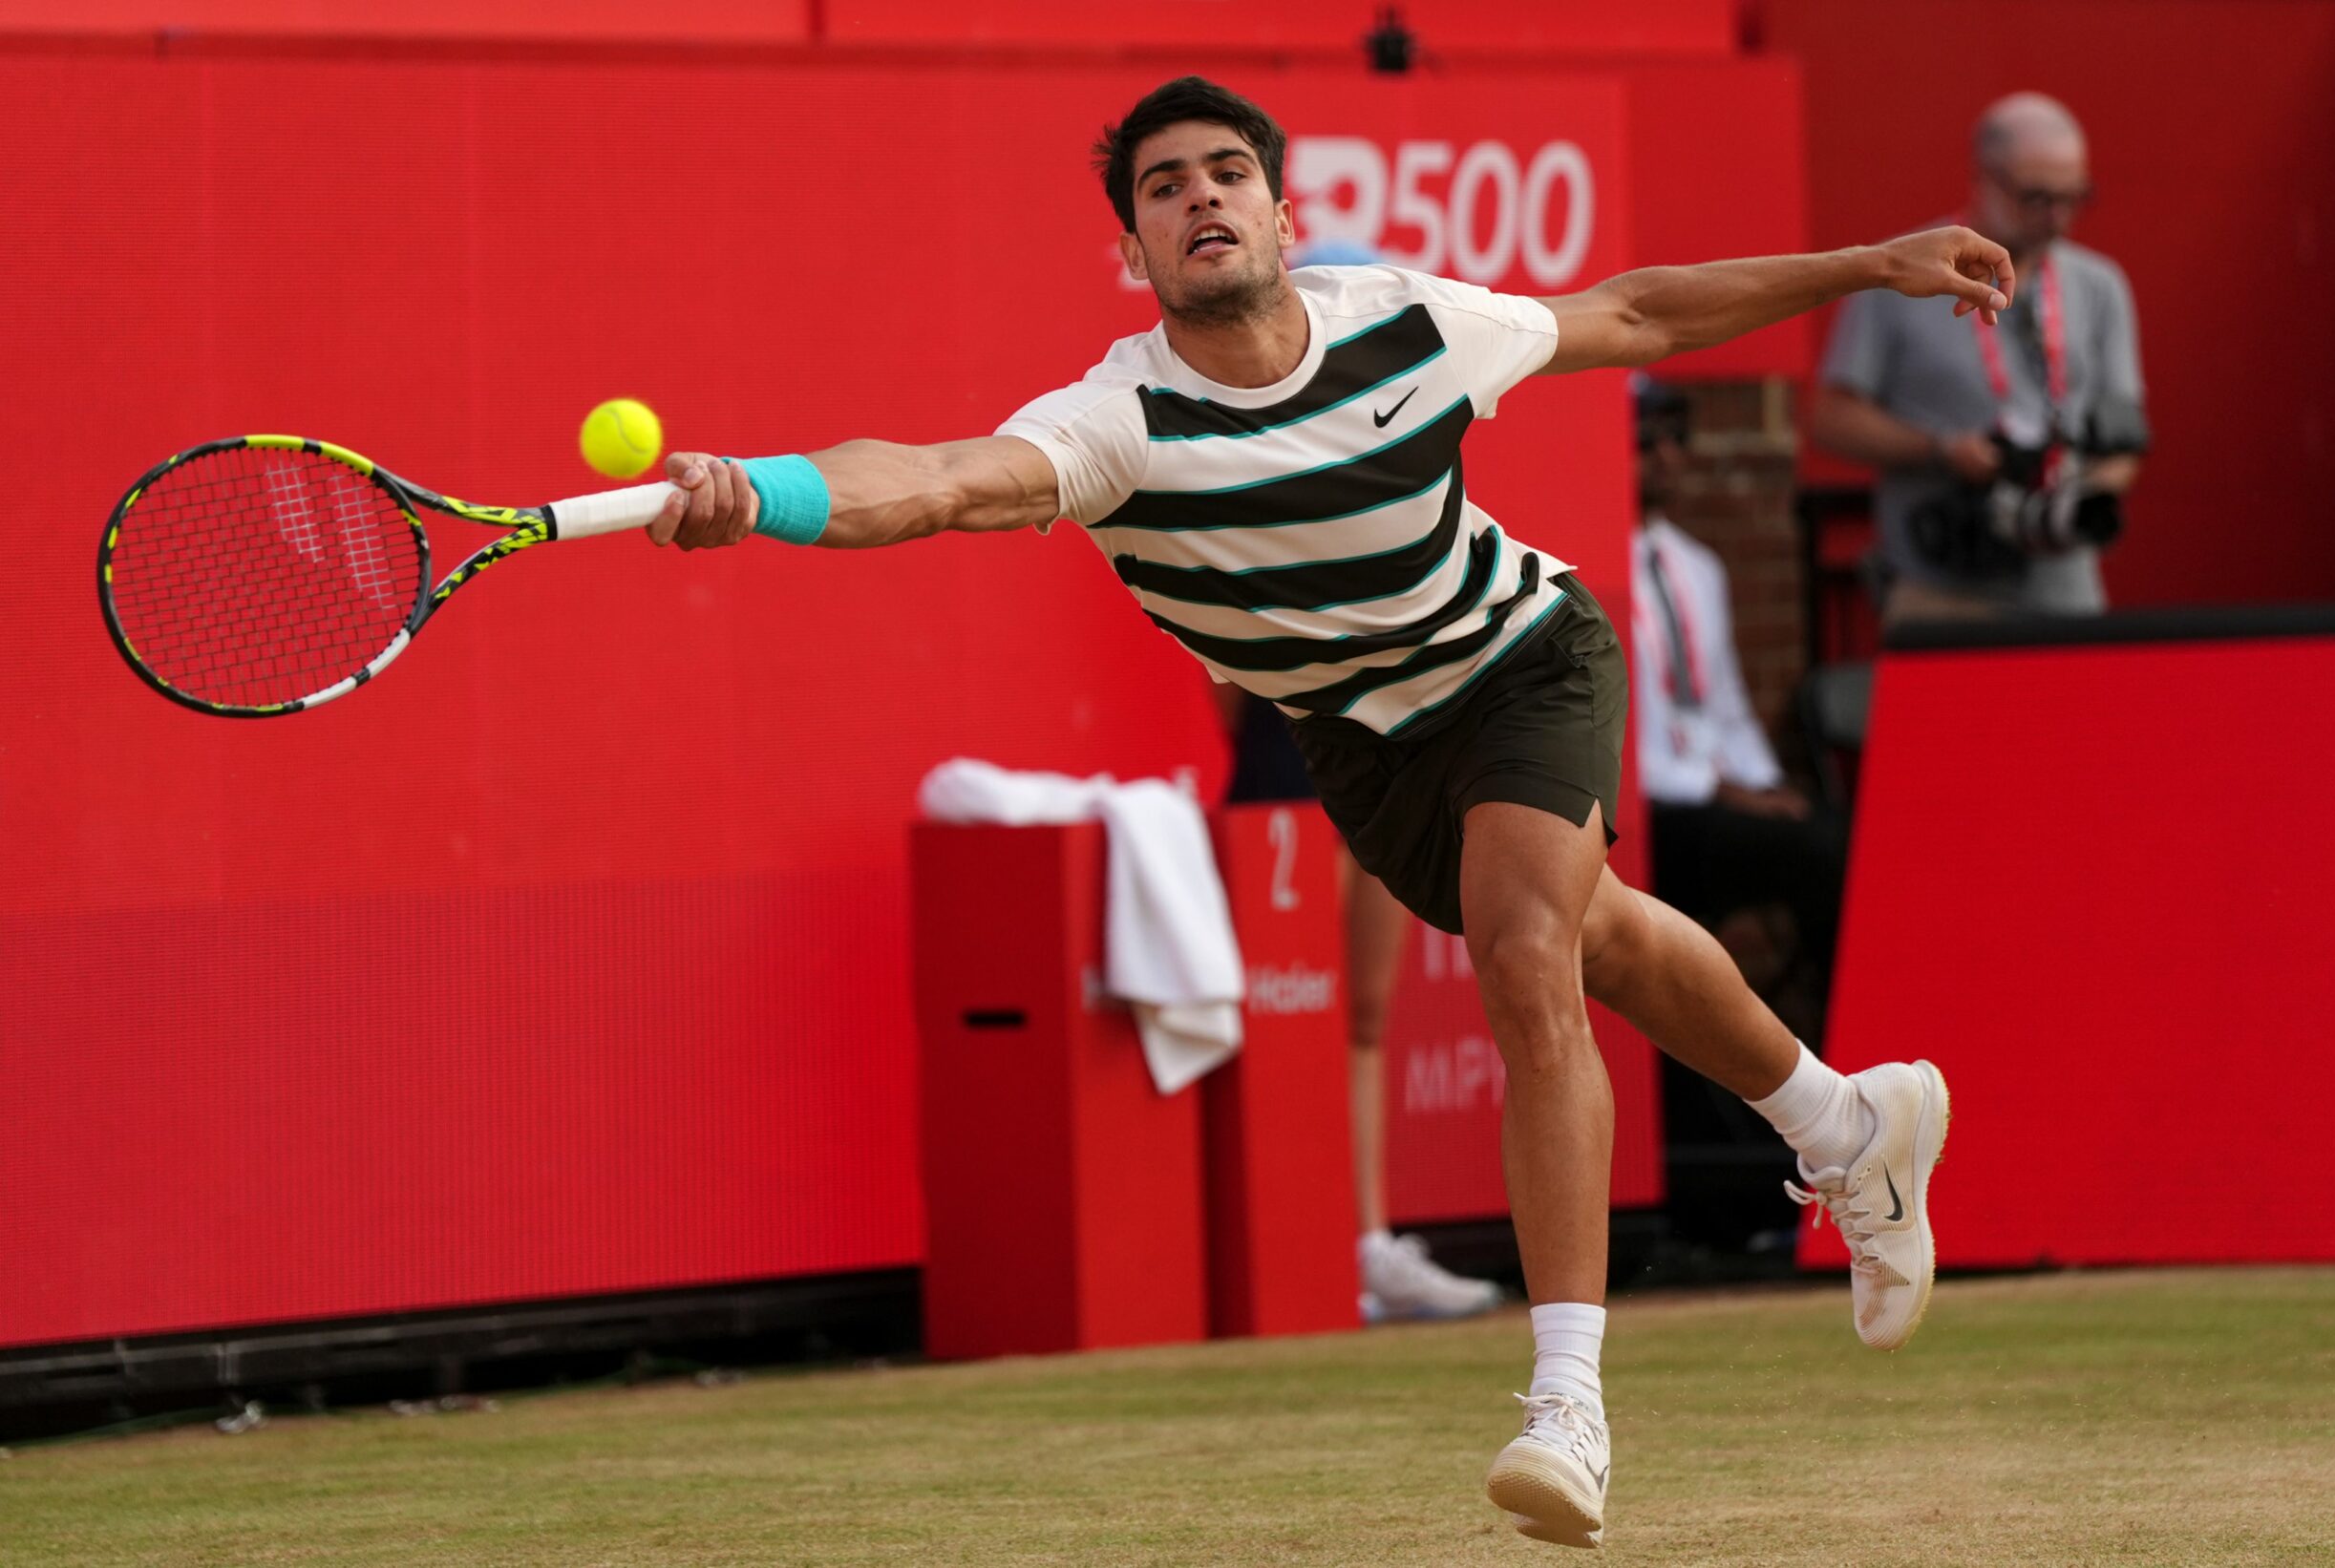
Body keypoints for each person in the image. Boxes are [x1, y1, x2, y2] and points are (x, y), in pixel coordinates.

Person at [647, 76, 1993, 1551]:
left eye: (1228, 174)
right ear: (1139, 254)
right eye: (1165, 189)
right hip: (1367, 750)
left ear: (1285, 214)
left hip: (1524, 659)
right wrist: (762, 492)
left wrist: (1870, 263)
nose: (1201, 199)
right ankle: (1845, 1117)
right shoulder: (1117, 422)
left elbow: (1641, 315)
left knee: (1527, 945)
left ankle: (1569, 1404)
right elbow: (932, 481)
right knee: (1596, 936)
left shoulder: (1407, 323)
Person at [1214, 234, 1502, 1325]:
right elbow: (1231, 680)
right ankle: (1289, 1241)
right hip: (1286, 772)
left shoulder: (1402, 460)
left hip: (1387, 756)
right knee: (1284, 1016)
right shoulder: (1243, 478)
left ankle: (1367, 1240)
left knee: (1367, 1014)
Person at [1813, 92, 2149, 624]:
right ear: (1983, 179)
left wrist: (2072, 500)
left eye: (2074, 197)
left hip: (2065, 588)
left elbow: (2126, 441)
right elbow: (1829, 418)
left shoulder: (2101, 286)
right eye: (2036, 197)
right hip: (1940, 587)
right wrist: (1942, 451)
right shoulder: (1898, 272)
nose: (2057, 217)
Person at [1630, 374, 1847, 996]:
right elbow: (1630, 753)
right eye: (1645, 440)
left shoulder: (1698, 565)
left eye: (1676, 436)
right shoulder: (1589, 571)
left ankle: (1835, 1041)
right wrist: (1732, 794)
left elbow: (1727, 710)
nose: (1668, 455)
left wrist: (1766, 786)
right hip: (1657, 805)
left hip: (1717, 793)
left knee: (1830, 833)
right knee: (1814, 851)